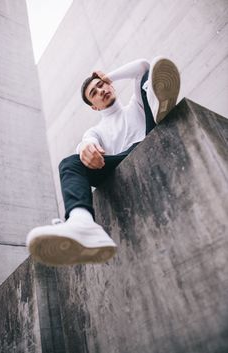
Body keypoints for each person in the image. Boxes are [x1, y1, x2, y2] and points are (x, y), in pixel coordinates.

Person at [27, 57, 180, 266]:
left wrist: (109, 76)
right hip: (117, 165)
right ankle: (81, 223)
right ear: (94, 107)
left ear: (109, 84)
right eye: (94, 93)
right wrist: (85, 148)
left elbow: (143, 65)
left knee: (148, 76)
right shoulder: (96, 130)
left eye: (101, 85)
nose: (100, 91)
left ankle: (159, 106)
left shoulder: (134, 106)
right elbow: (87, 142)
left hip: (148, 137)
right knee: (68, 164)